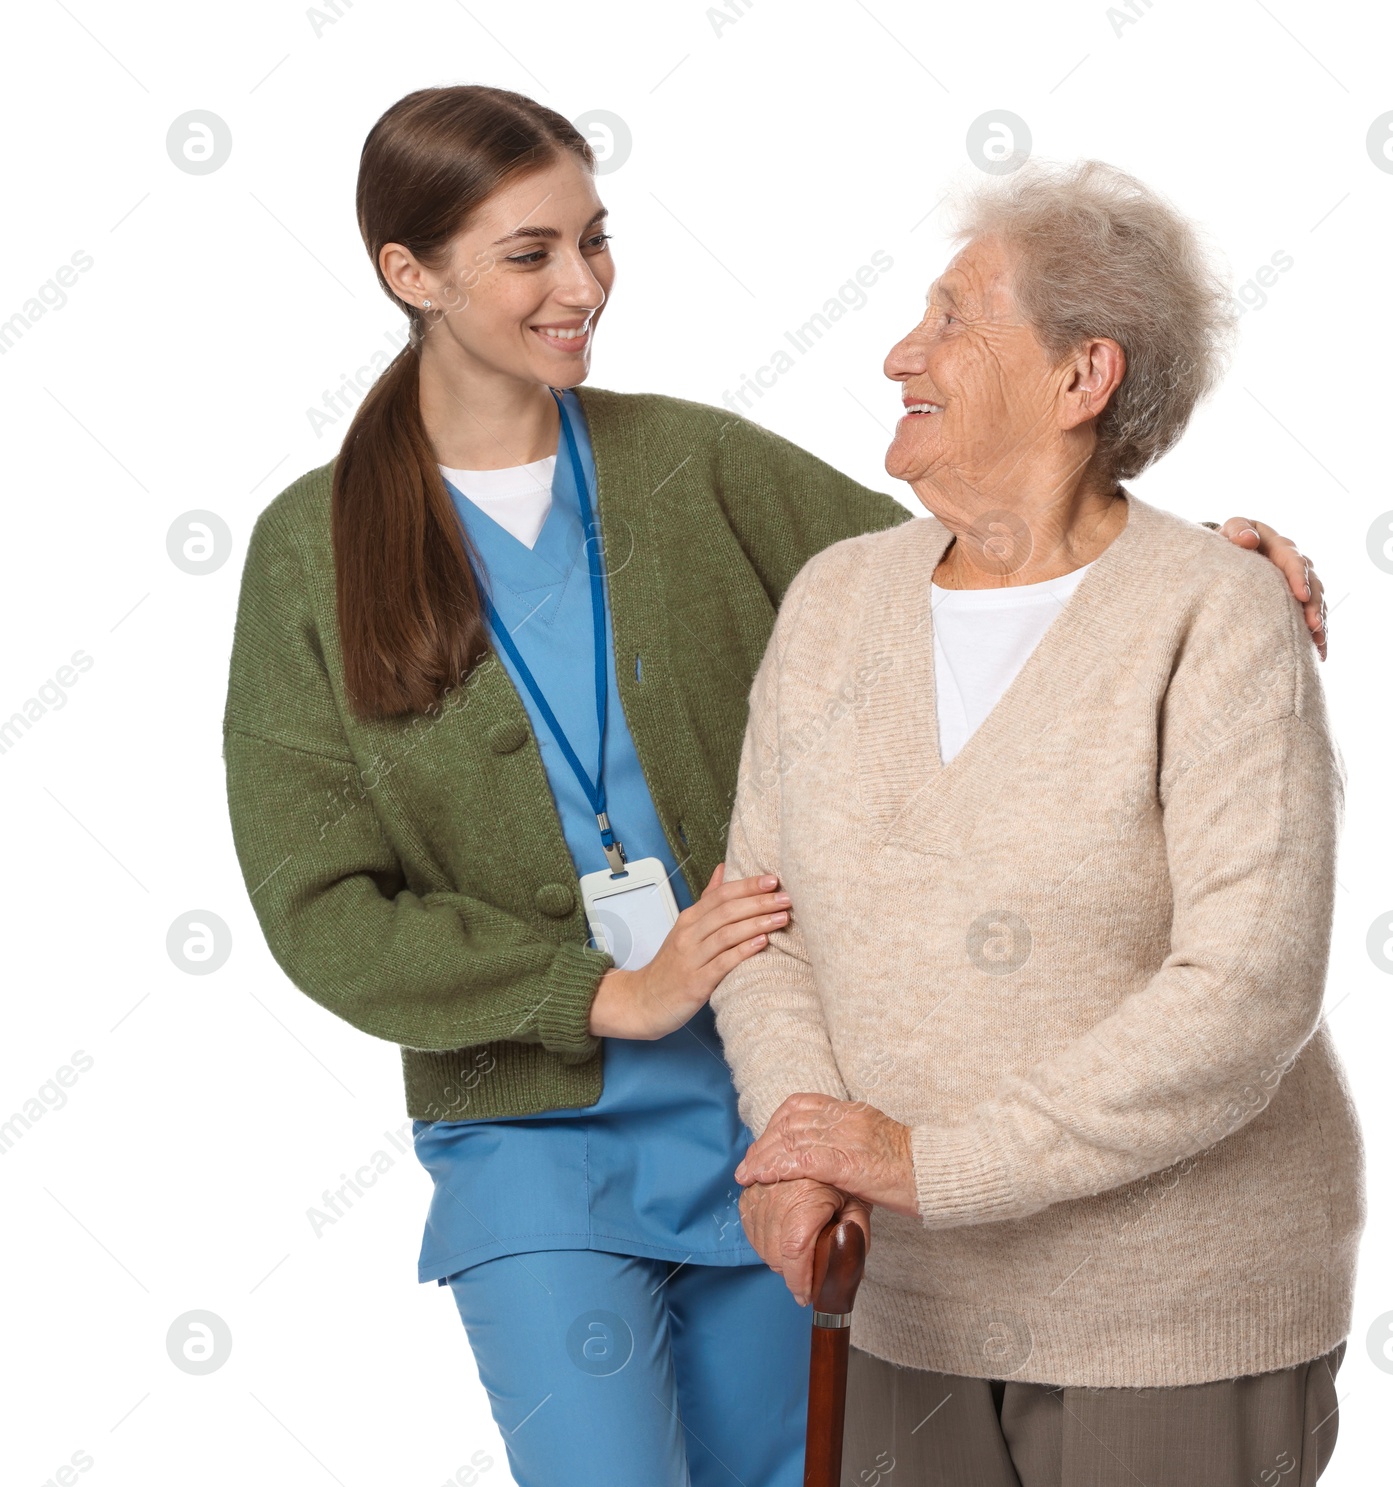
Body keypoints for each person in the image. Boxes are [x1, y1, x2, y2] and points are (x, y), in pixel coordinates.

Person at [221, 85, 1330, 1487]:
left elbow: (988, 563)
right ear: (410, 273)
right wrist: (595, 990)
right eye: (530, 255)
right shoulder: (305, 549)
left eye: (596, 240)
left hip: (778, 1114)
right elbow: (316, 902)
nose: (584, 287)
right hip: (534, 1135)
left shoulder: (692, 463)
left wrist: (1197, 559)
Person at [719, 158, 1363, 1487]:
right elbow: (762, 925)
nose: (903, 350)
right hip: (905, 1300)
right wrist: (800, 1140)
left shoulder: (1215, 614)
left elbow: (1244, 993)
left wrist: (934, 1163)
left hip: (1169, 1315)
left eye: (956, 319)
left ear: (1085, 379)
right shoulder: (835, 602)